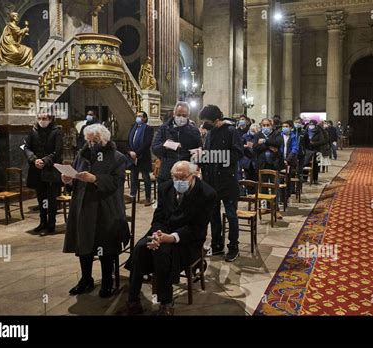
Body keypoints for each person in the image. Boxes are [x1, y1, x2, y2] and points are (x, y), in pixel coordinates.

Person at [125, 161, 217, 315]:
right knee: (141, 247)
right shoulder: (165, 187)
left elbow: (197, 227)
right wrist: (156, 236)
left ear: (194, 175)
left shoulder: (207, 193)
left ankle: (166, 301)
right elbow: (158, 217)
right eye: (175, 177)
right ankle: (133, 298)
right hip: (163, 232)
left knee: (163, 252)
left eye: (183, 178)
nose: (178, 182)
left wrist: (172, 237)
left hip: (188, 240)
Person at [62, 124, 130, 298]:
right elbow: (76, 181)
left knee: (105, 246)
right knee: (83, 245)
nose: (92, 144)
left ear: (105, 140)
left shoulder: (117, 158)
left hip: (105, 209)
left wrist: (95, 179)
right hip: (83, 207)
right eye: (89, 140)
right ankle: (86, 279)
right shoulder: (81, 155)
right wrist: (69, 181)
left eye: (96, 140)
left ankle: (107, 280)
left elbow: (117, 183)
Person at [199, 105, 244, 262]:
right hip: (211, 181)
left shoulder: (231, 131)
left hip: (227, 181)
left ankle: (233, 247)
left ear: (216, 120)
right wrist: (201, 156)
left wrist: (214, 156)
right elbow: (208, 155)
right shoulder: (210, 133)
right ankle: (217, 245)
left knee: (231, 215)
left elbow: (237, 153)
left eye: (206, 121)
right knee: (213, 215)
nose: (204, 124)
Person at [24, 113, 63, 233]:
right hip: (37, 170)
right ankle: (42, 222)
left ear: (50, 119)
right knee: (41, 199)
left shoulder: (57, 132)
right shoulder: (33, 131)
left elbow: (58, 151)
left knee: (51, 200)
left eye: (44, 119)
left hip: (51, 170)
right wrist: (34, 159)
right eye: (39, 118)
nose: (41, 121)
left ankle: (51, 224)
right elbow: (26, 147)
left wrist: (45, 161)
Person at [152, 101, 202, 184]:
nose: (181, 117)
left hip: (186, 175)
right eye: (178, 115)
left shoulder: (194, 130)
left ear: (188, 116)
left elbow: (200, 151)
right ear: (174, 114)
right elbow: (154, 149)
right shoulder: (164, 128)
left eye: (184, 115)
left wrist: (198, 154)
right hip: (167, 173)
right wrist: (165, 146)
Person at [126, 111, 154, 205]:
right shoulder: (132, 127)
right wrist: (130, 152)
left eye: (140, 116)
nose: (138, 117)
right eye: (137, 116)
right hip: (132, 157)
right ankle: (132, 196)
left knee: (146, 178)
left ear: (145, 118)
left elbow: (147, 143)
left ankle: (148, 198)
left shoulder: (148, 129)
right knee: (133, 177)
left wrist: (136, 153)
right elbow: (128, 140)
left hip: (143, 157)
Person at [304, 119, 330, 185]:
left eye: (312, 125)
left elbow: (323, 141)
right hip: (307, 150)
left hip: (316, 150)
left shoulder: (319, 131)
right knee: (306, 163)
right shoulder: (305, 130)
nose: (311, 126)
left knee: (315, 165)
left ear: (315, 125)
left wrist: (314, 143)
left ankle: (315, 179)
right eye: (310, 124)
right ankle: (304, 178)